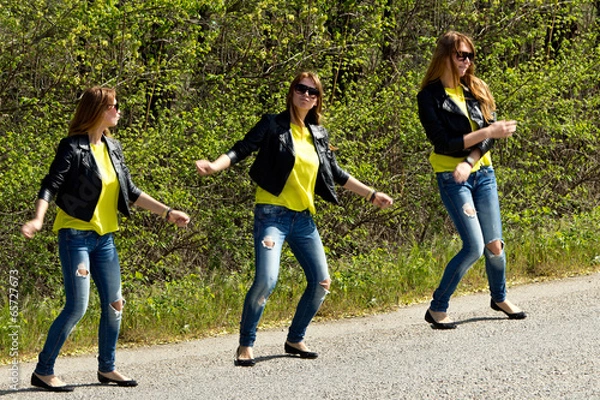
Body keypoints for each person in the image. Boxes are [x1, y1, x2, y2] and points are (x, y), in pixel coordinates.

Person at [195, 72, 393, 366]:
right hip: (271, 215)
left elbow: (335, 174)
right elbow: (242, 148)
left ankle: (295, 338)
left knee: (321, 281)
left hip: (303, 219)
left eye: (313, 92)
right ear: (292, 92)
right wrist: (215, 165)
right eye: (301, 88)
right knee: (266, 280)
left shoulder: (317, 134)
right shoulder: (273, 125)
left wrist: (371, 194)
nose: (306, 94)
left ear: (317, 100)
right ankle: (245, 345)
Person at [21, 87, 190, 391]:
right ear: (98, 110)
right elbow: (50, 185)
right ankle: (43, 370)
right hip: (76, 237)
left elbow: (131, 191)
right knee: (77, 306)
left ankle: (107, 368)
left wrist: (167, 212)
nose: (119, 111)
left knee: (115, 304)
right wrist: (38, 219)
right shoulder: (72, 147)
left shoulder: (113, 148)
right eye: (114, 106)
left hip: (105, 241)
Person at [417, 31, 526, 329]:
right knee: (473, 247)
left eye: (470, 56)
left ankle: (499, 297)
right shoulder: (429, 96)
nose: (466, 61)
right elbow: (443, 142)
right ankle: (437, 308)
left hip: (482, 173)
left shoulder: (475, 89)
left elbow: (490, 136)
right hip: (453, 178)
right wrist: (487, 133)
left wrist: (470, 160)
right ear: (444, 57)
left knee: (495, 245)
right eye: (460, 55)